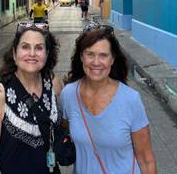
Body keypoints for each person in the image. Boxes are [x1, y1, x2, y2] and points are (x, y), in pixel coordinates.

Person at [60, 23, 157, 174]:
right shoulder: (68, 94)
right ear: (81, 57)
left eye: (103, 55)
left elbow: (146, 159)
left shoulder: (131, 99)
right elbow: (66, 128)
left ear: (112, 60)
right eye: (90, 54)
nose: (96, 62)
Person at [0, 24, 62, 174]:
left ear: (47, 53)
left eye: (39, 48)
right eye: (25, 47)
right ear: (15, 53)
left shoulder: (54, 84)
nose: (32, 53)